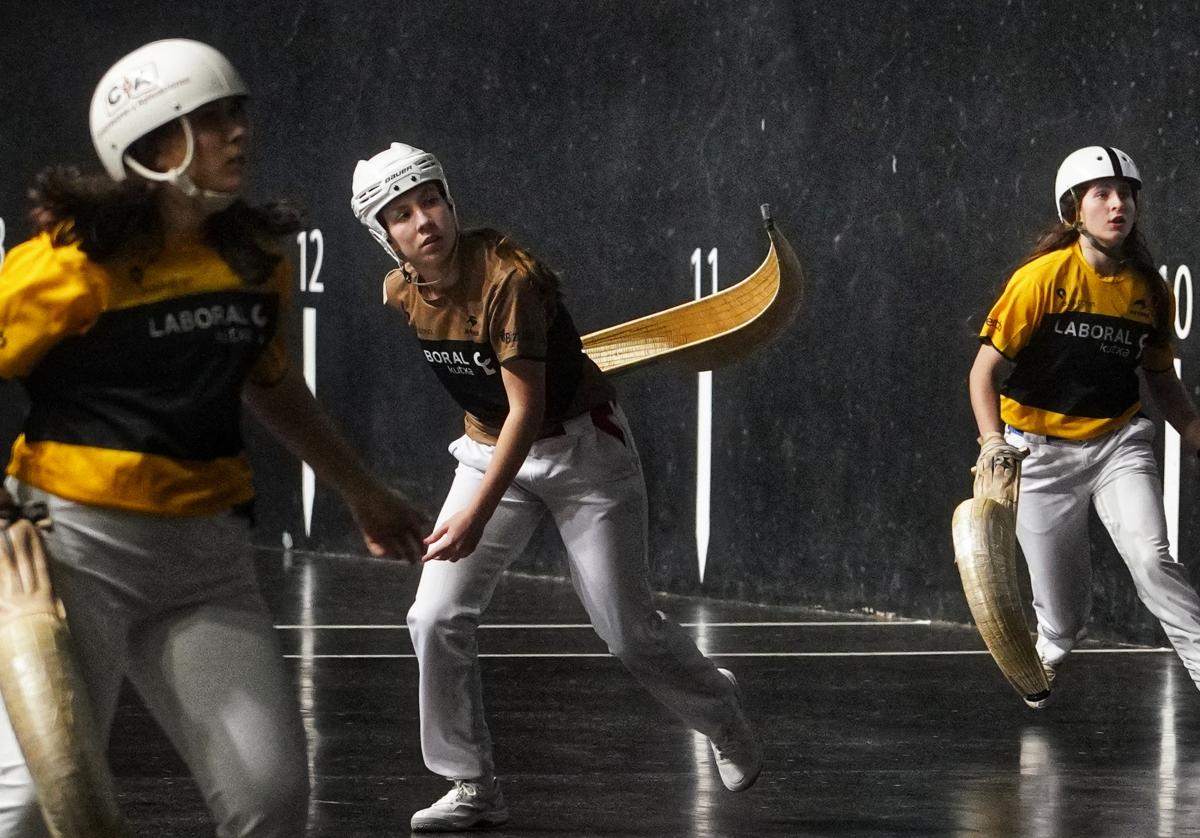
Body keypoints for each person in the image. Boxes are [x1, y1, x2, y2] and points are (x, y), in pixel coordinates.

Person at [0, 39, 425, 836]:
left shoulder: (255, 257)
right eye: (209, 119)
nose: (239, 133)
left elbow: (268, 382)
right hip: (73, 558)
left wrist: (363, 492)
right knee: (28, 806)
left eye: (237, 114)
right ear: (152, 146)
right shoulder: (65, 265)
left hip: (207, 565)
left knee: (270, 800)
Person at [350, 142, 763, 832]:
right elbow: (493, 411)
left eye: (430, 199)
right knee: (433, 616)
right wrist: (480, 494)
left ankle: (719, 708)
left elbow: (528, 410)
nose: (423, 220)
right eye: (400, 214)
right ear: (384, 237)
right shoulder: (402, 292)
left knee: (628, 634)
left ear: (449, 201)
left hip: (581, 451)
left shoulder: (509, 280)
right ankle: (471, 783)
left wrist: (476, 515)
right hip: (489, 453)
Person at [968, 145, 1200, 709]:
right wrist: (994, 441)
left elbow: (1161, 381)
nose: (1117, 204)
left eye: (1126, 194)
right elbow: (984, 373)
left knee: (1151, 558)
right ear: (1075, 208)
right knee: (1064, 613)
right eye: (1102, 194)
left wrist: (1193, 433)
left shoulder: (1150, 291)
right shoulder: (1041, 280)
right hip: (1039, 459)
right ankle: (1051, 642)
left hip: (1118, 445)